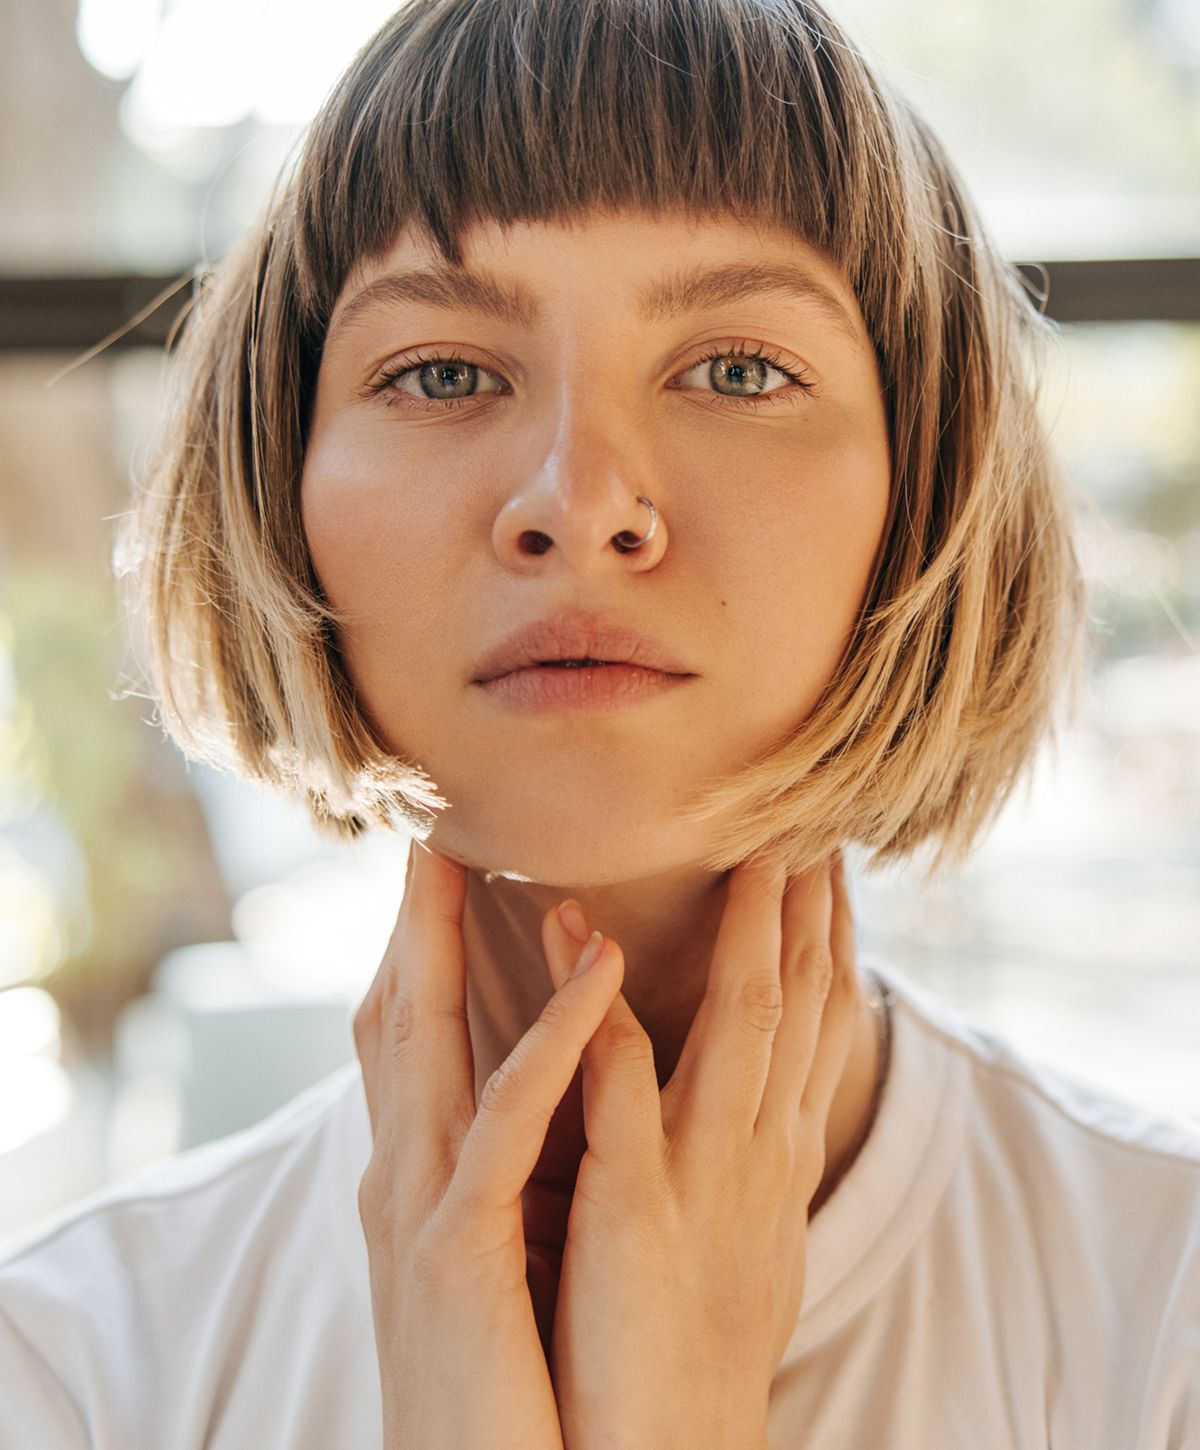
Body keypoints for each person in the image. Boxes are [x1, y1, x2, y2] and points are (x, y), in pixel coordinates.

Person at [2, 0, 1198, 1444]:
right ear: (277, 486)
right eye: (444, 373)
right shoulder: (73, 1365)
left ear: (926, 491)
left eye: (739, 370)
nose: (578, 501)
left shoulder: (1166, 1311)